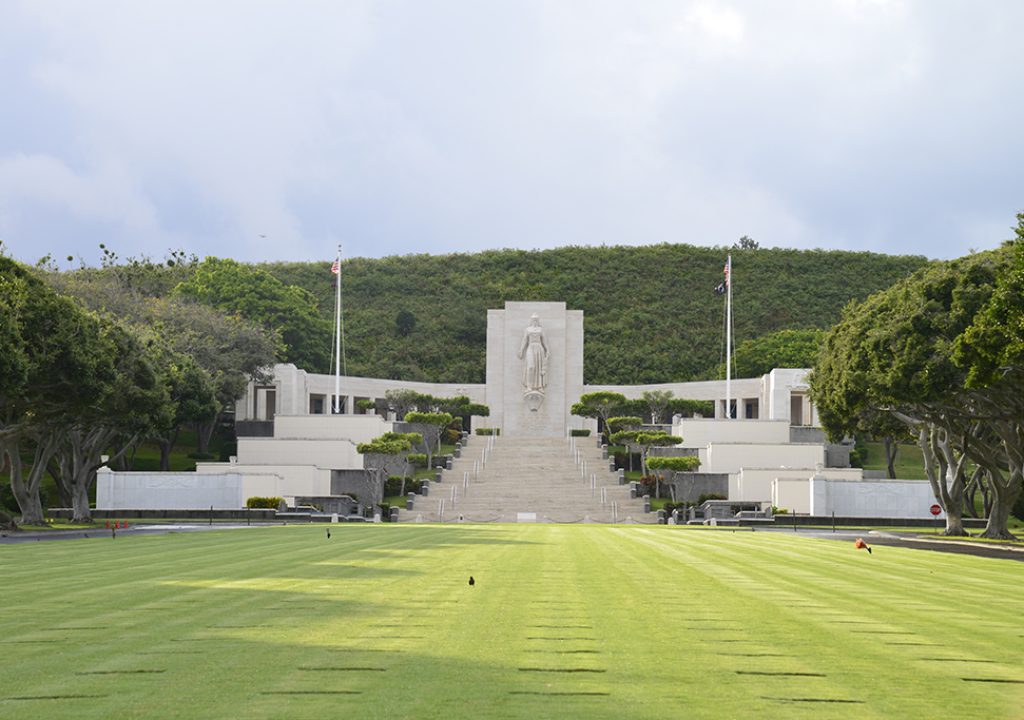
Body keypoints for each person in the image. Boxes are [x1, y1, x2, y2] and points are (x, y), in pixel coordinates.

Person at [518, 314, 549, 393]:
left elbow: (544, 341)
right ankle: (529, 386)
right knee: (530, 367)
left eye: (536, 319)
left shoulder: (541, 329)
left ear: (538, 320)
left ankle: (540, 386)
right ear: (531, 320)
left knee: (539, 368)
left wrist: (547, 350)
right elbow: (525, 340)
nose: (535, 321)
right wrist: (521, 350)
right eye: (533, 319)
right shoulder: (528, 329)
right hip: (530, 347)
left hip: (539, 348)